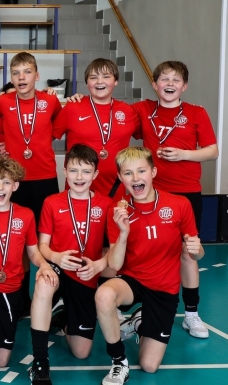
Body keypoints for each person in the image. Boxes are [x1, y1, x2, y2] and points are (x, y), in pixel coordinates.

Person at [96, 147, 203, 384]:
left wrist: (197, 250)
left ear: (153, 172)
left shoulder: (179, 204)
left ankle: (139, 321)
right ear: (120, 177)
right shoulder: (118, 210)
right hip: (132, 280)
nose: (136, 178)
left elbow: (197, 254)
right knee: (104, 295)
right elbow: (115, 264)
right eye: (128, 173)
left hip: (164, 288)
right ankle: (118, 362)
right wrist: (123, 233)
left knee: (149, 366)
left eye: (141, 171)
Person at [130, 61, 218, 339]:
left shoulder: (196, 113)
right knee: (145, 250)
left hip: (186, 192)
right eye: (164, 79)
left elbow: (213, 151)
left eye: (176, 79)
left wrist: (184, 155)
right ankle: (137, 309)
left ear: (185, 86)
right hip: (150, 194)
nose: (170, 84)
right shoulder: (143, 109)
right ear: (154, 84)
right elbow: (109, 110)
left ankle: (191, 313)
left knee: (188, 252)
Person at [0, 155, 54, 385]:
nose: (0, 187)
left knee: (2, 360)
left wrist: (44, 264)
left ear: (15, 186)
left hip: (10, 285)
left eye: (6, 182)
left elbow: (33, 252)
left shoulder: (25, 215)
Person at [28, 144, 113, 384]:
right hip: (58, 267)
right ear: (64, 171)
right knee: (44, 283)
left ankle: (63, 318)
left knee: (81, 352)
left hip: (85, 275)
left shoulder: (106, 204)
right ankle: (40, 362)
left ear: (95, 174)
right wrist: (56, 258)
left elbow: (113, 249)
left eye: (86, 171)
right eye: (73, 170)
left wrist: (98, 265)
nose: (79, 177)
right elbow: (43, 245)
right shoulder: (52, 202)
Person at [0, 52, 61, 224]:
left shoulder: (50, 100)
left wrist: (48, 136)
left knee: (45, 225)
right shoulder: (4, 101)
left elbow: (59, 119)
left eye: (27, 72)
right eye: (16, 73)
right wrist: (2, 139)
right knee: (17, 225)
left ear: (37, 76)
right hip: (15, 175)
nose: (21, 77)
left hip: (45, 174)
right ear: (11, 78)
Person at [53, 58, 140, 198]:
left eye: (106, 76)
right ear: (87, 83)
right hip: (79, 188)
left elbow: (152, 135)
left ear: (116, 81)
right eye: (93, 77)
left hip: (115, 188)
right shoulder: (72, 108)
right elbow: (44, 136)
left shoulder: (127, 111)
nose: (100, 81)